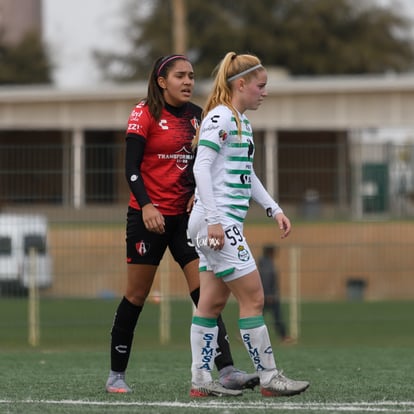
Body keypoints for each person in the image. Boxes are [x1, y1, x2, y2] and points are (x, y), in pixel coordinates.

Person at [105, 54, 259, 394]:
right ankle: (116, 374)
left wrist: (195, 197)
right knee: (136, 294)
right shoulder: (144, 113)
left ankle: (227, 369)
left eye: (191, 76)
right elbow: (130, 167)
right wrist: (146, 205)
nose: (188, 81)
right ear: (162, 81)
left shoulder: (198, 117)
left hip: (186, 221)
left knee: (204, 294)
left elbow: (204, 163)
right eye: (180, 76)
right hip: (148, 218)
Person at [188, 52, 310, 398]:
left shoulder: (241, 121)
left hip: (215, 223)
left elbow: (247, 175)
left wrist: (274, 209)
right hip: (219, 223)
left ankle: (200, 382)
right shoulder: (221, 118)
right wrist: (214, 221)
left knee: (210, 304)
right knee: (255, 299)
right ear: (240, 85)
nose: (265, 92)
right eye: (261, 86)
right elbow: (200, 167)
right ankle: (269, 378)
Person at [258, 244, 292, 343]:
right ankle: (284, 336)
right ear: (271, 252)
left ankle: (245, 335)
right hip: (270, 296)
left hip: (265, 295)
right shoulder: (267, 264)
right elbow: (266, 279)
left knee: (257, 315)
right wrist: (268, 294)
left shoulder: (262, 262)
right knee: (277, 316)